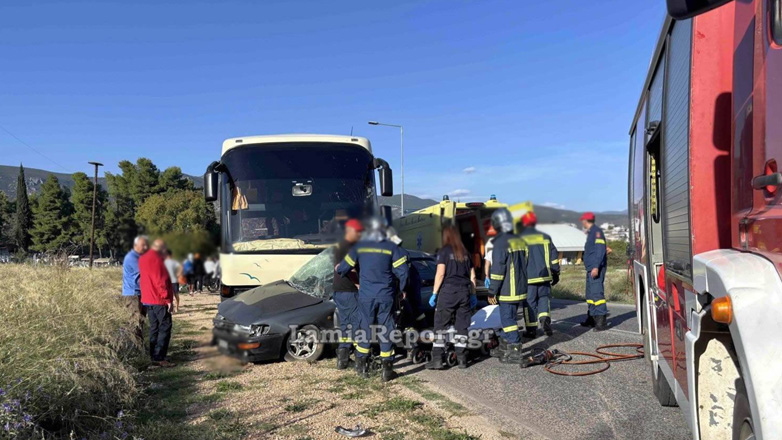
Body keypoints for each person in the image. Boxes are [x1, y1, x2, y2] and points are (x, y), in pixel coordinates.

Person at [336, 217, 409, 381]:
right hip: (386, 295)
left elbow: (344, 267)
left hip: (366, 296)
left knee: (365, 328)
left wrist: (342, 271)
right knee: (386, 328)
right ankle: (387, 371)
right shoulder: (391, 247)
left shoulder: (360, 246)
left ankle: (362, 368)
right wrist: (402, 289)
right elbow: (403, 272)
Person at [426, 226, 477, 370]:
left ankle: (437, 359)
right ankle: (462, 359)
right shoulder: (465, 253)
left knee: (441, 325)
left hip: (448, 292)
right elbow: (472, 276)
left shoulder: (444, 252)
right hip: (464, 292)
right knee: (462, 326)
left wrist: (435, 293)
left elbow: (440, 274)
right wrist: (473, 294)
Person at [487, 208, 529, 364]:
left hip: (507, 290)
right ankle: (504, 348)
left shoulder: (500, 242)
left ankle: (515, 349)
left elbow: (498, 270)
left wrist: (492, 291)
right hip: (520, 288)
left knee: (508, 320)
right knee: (508, 318)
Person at [519, 212, 560, 338]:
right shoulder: (545, 237)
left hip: (528, 278)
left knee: (529, 303)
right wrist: (556, 272)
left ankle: (531, 330)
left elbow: (519, 259)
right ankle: (544, 319)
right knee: (543, 299)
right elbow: (554, 256)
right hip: (545, 276)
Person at [332, 219, 364, 370]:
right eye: (358, 232)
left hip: (340, 290)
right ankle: (360, 359)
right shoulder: (347, 247)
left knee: (345, 324)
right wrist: (357, 284)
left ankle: (343, 359)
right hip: (349, 290)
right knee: (357, 323)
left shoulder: (339, 246)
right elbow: (348, 269)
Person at [140, 239, 175, 367]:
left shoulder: (143, 258)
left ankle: (153, 355)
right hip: (159, 299)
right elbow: (161, 281)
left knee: (154, 328)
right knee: (165, 326)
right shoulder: (158, 261)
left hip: (148, 298)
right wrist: (167, 300)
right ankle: (160, 357)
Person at [580, 212, 609, 331]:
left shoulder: (597, 232)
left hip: (595, 268)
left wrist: (596, 266)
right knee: (590, 295)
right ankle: (592, 318)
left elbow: (600, 250)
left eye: (583, 221)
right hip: (590, 268)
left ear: (586, 221)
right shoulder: (592, 232)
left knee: (597, 294)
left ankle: (601, 322)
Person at [122, 236, 149, 341]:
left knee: (141, 321)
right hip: (133, 293)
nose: (146, 247)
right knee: (135, 321)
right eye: (143, 245)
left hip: (140, 292)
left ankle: (140, 345)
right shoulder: (132, 257)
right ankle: (135, 345)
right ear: (135, 246)